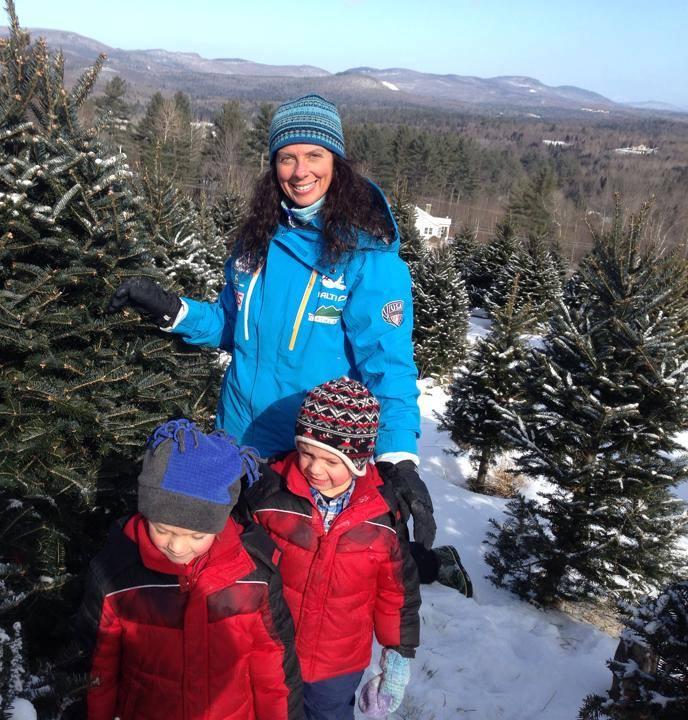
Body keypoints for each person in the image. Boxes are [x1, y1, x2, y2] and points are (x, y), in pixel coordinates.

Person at [108, 92, 437, 557]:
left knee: (287, 588)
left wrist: (398, 458)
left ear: (337, 162)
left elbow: (389, 367)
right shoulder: (255, 242)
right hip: (236, 443)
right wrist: (173, 310)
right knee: (226, 577)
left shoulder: (367, 258)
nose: (300, 171)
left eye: (314, 155)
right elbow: (231, 324)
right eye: (287, 158)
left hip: (308, 463)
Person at [76, 419, 305, 720]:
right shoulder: (117, 575)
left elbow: (274, 665)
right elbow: (99, 668)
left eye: (197, 536)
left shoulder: (253, 574)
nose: (178, 547)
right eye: (163, 529)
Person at [240, 377, 420, 719]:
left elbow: (397, 592)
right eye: (306, 453)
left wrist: (398, 652)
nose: (314, 468)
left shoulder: (380, 516)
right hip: (270, 650)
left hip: (337, 665)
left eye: (331, 461)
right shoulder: (270, 497)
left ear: (358, 461)